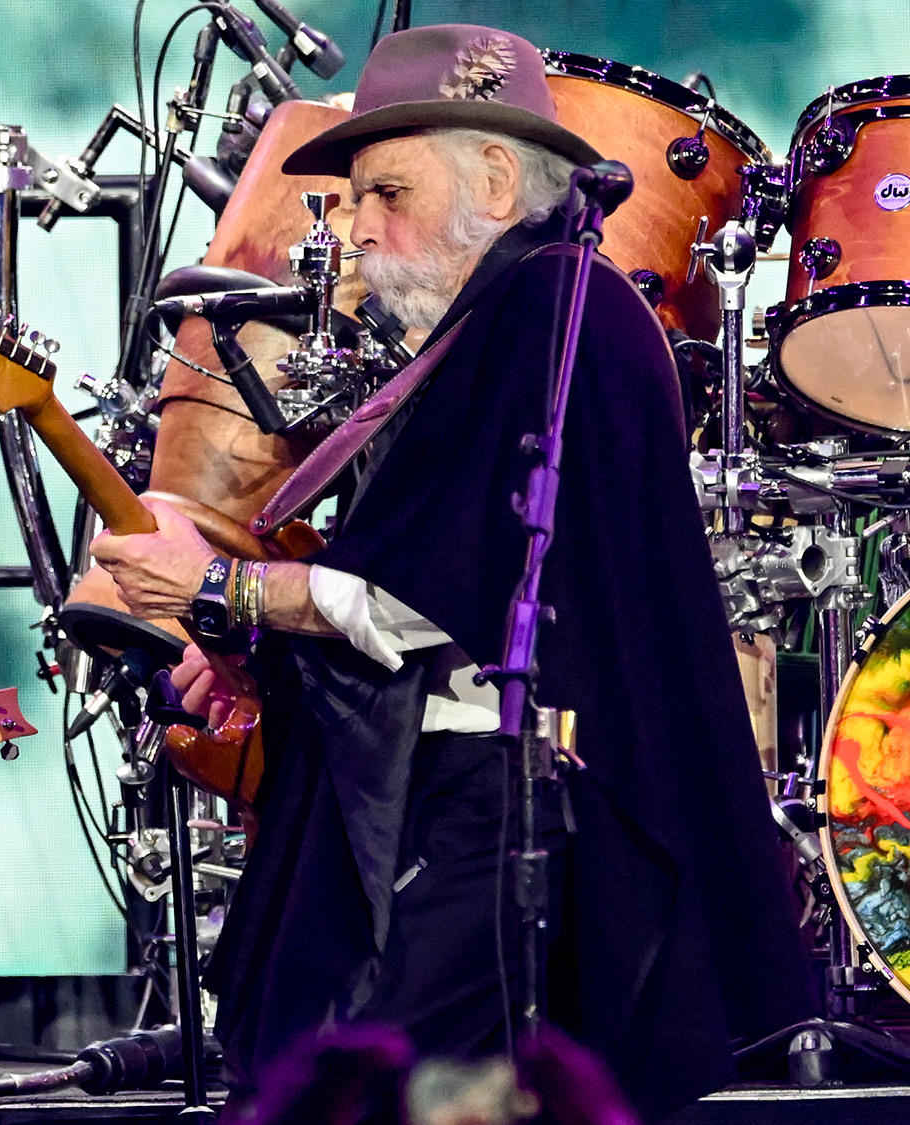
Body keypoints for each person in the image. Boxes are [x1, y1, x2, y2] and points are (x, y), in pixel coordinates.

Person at [90, 24, 812, 1120]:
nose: (357, 230)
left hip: (513, 816)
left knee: (368, 1083)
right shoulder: (499, 324)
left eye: (383, 192)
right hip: (465, 810)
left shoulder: (555, 306)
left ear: (488, 173)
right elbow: (436, 584)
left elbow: (416, 603)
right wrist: (260, 658)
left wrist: (218, 592)